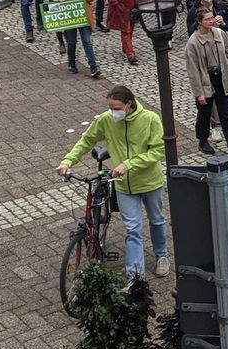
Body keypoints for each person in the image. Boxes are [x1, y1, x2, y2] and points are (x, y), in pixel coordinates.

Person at [57, 86, 170, 278]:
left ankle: (162, 255)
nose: (112, 111)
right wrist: (68, 161)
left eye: (116, 107)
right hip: (124, 185)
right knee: (133, 229)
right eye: (110, 107)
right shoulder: (106, 120)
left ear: (129, 104)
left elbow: (158, 151)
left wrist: (128, 164)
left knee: (157, 220)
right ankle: (134, 277)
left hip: (150, 182)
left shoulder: (150, 119)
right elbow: (87, 141)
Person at [185, 6, 228, 163]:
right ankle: (203, 140)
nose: (211, 21)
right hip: (206, 80)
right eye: (207, 19)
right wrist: (199, 93)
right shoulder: (193, 43)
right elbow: (193, 71)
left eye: (212, 18)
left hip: (222, 78)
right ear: (199, 22)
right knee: (204, 113)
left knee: (227, 114)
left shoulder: (220, 33)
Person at [48, 0, 101, 78]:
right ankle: (71, 64)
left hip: (83, 17)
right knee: (71, 42)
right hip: (70, 18)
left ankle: (93, 66)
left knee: (87, 42)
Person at [103, 0, 138, 65]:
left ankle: (126, 47)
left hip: (132, 6)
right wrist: (117, 5)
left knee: (130, 28)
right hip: (122, 8)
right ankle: (130, 54)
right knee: (125, 30)